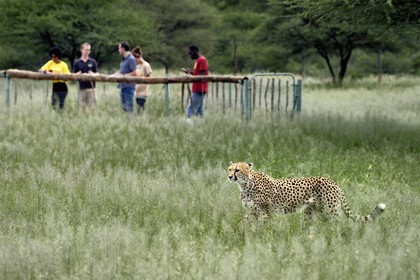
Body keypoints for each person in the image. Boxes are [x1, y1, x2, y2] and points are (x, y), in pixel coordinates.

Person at [39, 47, 71, 112]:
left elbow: (67, 77)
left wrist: (58, 75)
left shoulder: (63, 65)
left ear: (58, 56)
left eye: (55, 57)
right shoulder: (50, 63)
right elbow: (40, 70)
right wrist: (46, 72)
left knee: (61, 104)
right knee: (54, 103)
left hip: (62, 86)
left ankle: (61, 117)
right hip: (55, 85)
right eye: (52, 56)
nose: (53, 58)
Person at [182, 45, 209, 121]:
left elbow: (203, 73)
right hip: (197, 88)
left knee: (191, 108)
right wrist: (191, 73)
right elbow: (198, 74)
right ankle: (201, 124)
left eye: (191, 53)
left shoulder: (202, 60)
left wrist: (193, 77)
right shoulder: (197, 61)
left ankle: (188, 122)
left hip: (200, 88)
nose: (190, 56)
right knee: (199, 110)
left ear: (195, 52)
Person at [73, 42, 99, 111]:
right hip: (81, 88)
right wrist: (78, 74)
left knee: (92, 108)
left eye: (88, 50)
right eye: (85, 50)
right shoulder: (77, 62)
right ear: (81, 50)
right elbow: (73, 75)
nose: (87, 51)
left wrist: (93, 74)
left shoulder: (93, 62)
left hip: (91, 88)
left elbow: (97, 74)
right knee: (82, 108)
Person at [132, 45, 152, 114]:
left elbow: (150, 77)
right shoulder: (137, 66)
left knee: (140, 108)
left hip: (143, 91)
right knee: (138, 108)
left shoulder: (146, 65)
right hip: (137, 91)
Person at [117, 42, 137, 112]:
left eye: (119, 48)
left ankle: (131, 121)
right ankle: (126, 122)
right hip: (122, 86)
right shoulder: (123, 59)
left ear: (123, 49)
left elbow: (135, 73)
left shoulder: (131, 59)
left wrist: (125, 76)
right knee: (124, 107)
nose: (118, 50)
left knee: (129, 106)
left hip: (129, 86)